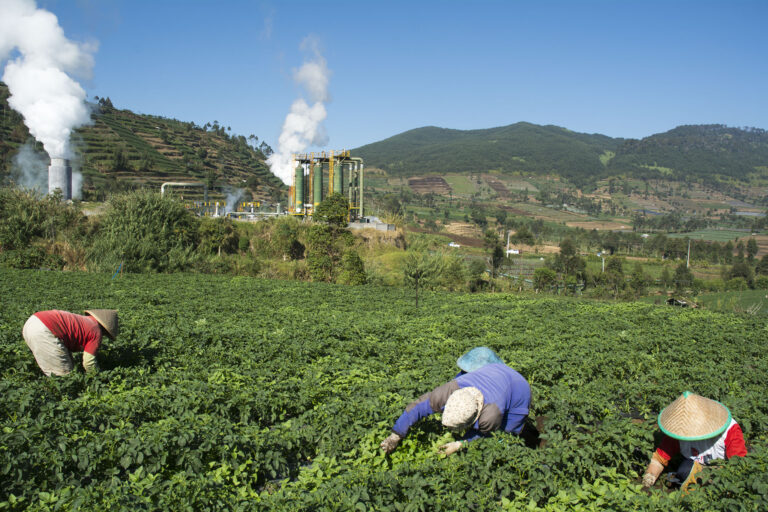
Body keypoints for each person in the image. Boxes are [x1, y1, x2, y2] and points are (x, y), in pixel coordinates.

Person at [380, 350, 531, 456]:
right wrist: (395, 435)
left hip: (519, 390)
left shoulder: (491, 415)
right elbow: (418, 406)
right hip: (493, 373)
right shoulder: (449, 390)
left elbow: (485, 434)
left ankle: (518, 446)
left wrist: (460, 444)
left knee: (503, 436)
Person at [642, 391, 747, 493]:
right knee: (684, 471)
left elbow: (737, 465)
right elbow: (660, 458)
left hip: (722, 468)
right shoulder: (678, 431)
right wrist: (649, 477)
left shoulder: (730, 430)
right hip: (693, 465)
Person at [22, 309, 118, 376]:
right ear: (106, 329)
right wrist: (98, 376)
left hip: (31, 323)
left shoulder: (86, 321)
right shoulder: (96, 331)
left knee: (62, 364)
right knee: (63, 376)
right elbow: (89, 362)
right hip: (44, 329)